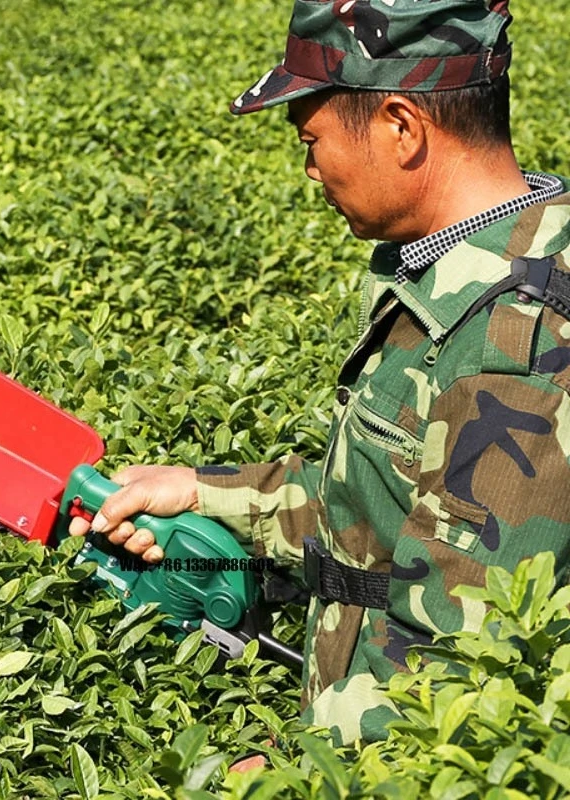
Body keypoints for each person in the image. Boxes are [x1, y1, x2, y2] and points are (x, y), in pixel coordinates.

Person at [70, 0, 570, 745]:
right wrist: (203, 492)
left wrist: (297, 773)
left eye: (312, 140)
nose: (310, 170)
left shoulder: (517, 355)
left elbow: (462, 676)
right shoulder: (496, 258)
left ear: (401, 127)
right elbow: (391, 507)